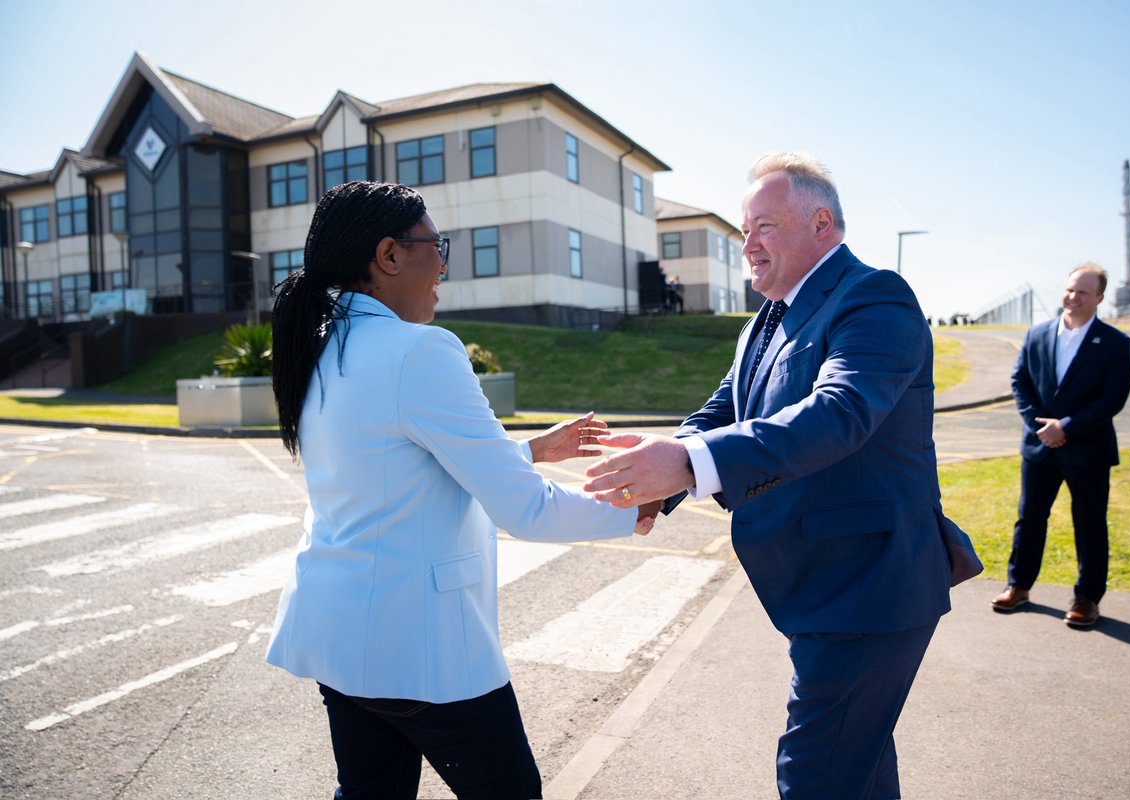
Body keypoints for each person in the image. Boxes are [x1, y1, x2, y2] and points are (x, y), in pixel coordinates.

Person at [582, 152, 959, 799]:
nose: (747, 244)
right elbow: (723, 408)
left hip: (868, 586)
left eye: (763, 226)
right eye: (743, 229)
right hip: (823, 585)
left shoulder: (873, 297)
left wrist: (689, 465)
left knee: (812, 776)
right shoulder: (768, 317)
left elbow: (838, 414)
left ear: (821, 224)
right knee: (856, 771)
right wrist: (670, 468)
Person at [263, 180, 657, 800]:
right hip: (418, 645)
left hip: (340, 635)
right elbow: (525, 509)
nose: (444, 264)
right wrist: (632, 507)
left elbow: (393, 467)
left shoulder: (321, 345)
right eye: (434, 245)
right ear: (388, 256)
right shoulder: (421, 350)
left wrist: (530, 448)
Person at [993, 264, 1130, 626]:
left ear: (1100, 298)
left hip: (1088, 449)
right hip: (1039, 446)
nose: (1073, 297)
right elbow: (1020, 380)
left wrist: (1066, 427)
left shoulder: (1117, 343)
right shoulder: (1038, 334)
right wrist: (1039, 425)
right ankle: (1019, 586)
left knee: (1090, 524)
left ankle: (1087, 598)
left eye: (1084, 292)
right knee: (1030, 519)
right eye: (1070, 289)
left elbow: (1113, 399)